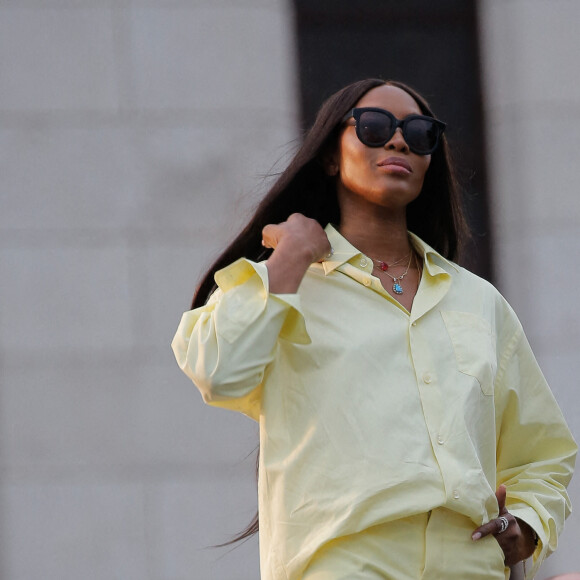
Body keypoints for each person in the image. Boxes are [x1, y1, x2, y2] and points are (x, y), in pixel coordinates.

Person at [171, 79, 577, 580]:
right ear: (329, 155)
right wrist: (290, 255)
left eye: (420, 132)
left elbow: (543, 453)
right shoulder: (287, 285)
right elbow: (219, 371)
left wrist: (528, 526)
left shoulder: (479, 303)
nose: (400, 141)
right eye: (375, 126)